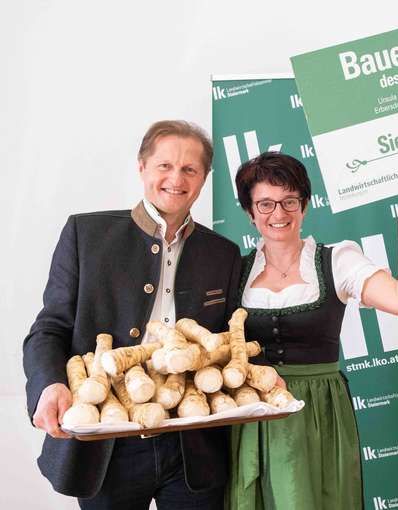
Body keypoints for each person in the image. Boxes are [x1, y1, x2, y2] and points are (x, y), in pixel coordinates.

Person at [23, 120, 242, 509]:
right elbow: (50, 328)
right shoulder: (85, 235)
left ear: (204, 178)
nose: (176, 178)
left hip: (193, 446)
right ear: (142, 167)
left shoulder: (222, 253)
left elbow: (227, 342)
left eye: (190, 169)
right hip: (108, 444)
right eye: (165, 166)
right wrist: (49, 385)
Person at [227, 151, 398, 509]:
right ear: (250, 213)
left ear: (305, 206)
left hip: (318, 410)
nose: (278, 214)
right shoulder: (235, 271)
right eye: (265, 204)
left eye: (289, 202)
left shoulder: (337, 260)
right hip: (253, 410)